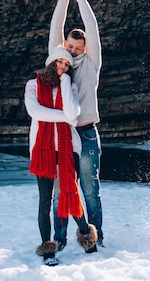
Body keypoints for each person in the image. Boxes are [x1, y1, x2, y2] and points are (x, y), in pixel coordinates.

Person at [24, 45, 98, 266]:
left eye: (67, 64)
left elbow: (72, 116)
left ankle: (87, 238)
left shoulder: (70, 85)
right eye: (60, 62)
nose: (64, 67)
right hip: (43, 149)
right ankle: (48, 248)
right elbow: (34, 111)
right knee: (45, 200)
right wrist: (63, 116)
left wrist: (65, 83)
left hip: (68, 148)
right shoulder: (33, 85)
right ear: (52, 61)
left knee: (70, 192)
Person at [50, 0, 104, 253]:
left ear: (84, 50)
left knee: (90, 190)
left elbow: (92, 30)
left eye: (76, 48)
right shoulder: (60, 63)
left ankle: (98, 237)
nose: (70, 50)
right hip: (64, 134)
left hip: (87, 132)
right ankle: (59, 239)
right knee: (62, 190)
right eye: (68, 46)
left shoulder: (91, 62)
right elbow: (55, 29)